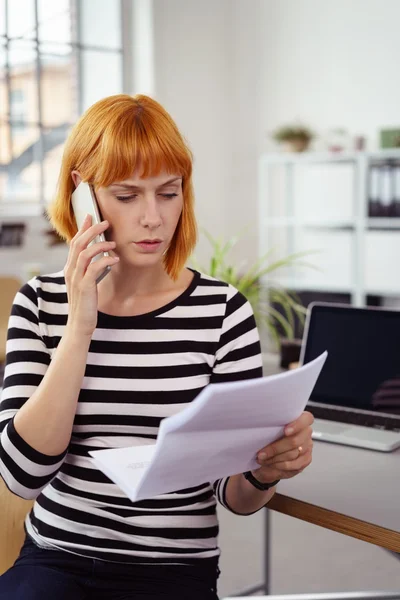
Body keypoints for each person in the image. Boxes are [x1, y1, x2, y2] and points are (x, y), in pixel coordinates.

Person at [0, 94, 314, 600]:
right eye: (127, 196)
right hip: (57, 559)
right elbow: (22, 475)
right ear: (84, 196)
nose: (153, 218)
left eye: (168, 193)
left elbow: (232, 496)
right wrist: (80, 323)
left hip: (173, 571)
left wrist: (264, 471)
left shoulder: (222, 311)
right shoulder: (38, 304)